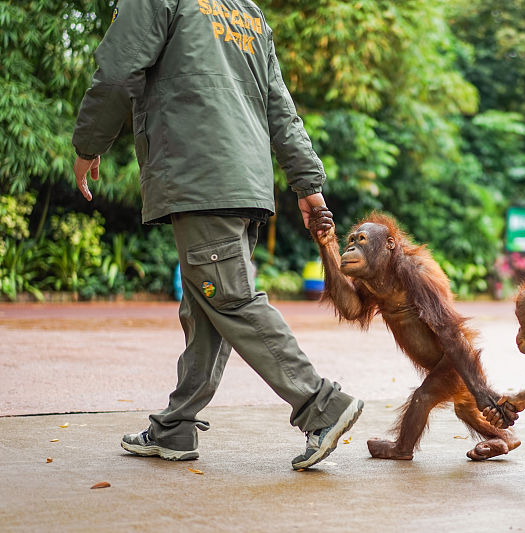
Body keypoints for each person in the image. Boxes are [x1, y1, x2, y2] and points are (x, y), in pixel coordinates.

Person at [71, 0, 362, 470]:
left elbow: (116, 71)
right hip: (242, 181)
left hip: (199, 176)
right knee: (208, 302)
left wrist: (88, 144)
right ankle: (175, 428)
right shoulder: (244, 10)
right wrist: (307, 184)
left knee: (229, 299)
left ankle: (321, 405)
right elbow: (279, 107)